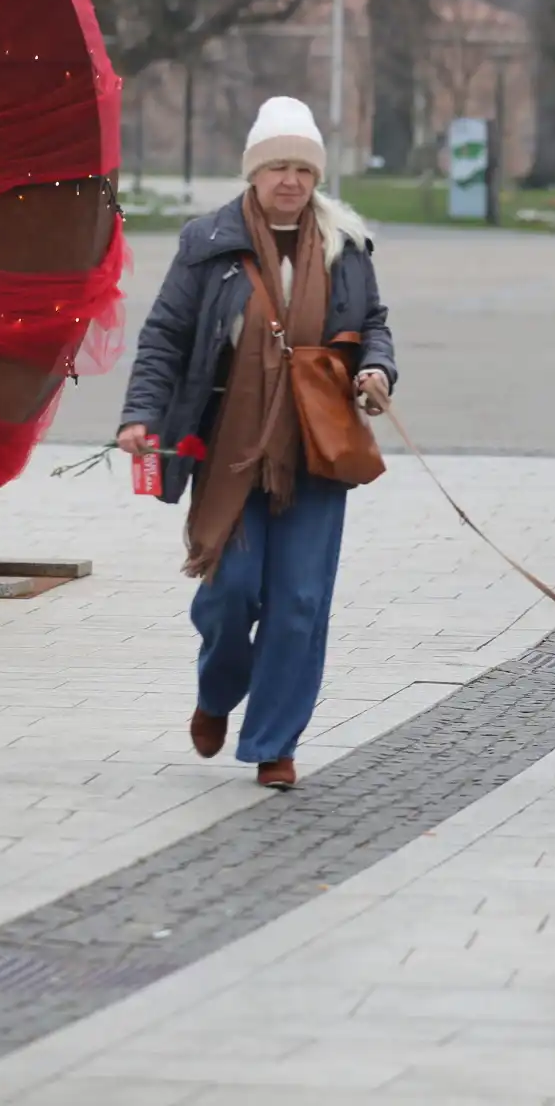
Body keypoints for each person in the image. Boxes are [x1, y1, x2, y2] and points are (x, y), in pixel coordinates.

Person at [117, 96, 397, 789]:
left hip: (316, 449)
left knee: (300, 602)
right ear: (253, 172)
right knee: (230, 592)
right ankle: (218, 691)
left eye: (303, 167)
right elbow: (165, 337)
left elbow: (374, 324)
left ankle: (274, 742)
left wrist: (376, 368)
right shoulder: (208, 244)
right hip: (229, 448)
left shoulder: (346, 246)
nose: (291, 180)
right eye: (277, 165)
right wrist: (140, 415)